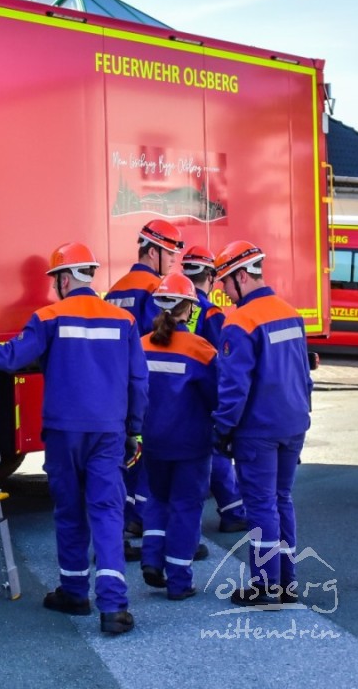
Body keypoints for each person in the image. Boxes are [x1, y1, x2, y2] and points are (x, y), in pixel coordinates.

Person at [0, 242, 147, 635]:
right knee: (107, 513)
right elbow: (138, 381)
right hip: (108, 432)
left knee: (69, 511)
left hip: (63, 433)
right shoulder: (124, 321)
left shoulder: (48, 318)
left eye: (55, 279)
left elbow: (8, 358)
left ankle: (74, 593)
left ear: (64, 279)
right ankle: (114, 608)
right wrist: (135, 429)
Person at [212, 240, 313, 606]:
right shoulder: (290, 313)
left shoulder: (240, 321)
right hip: (293, 423)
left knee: (260, 506)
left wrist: (221, 429)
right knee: (282, 499)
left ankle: (265, 586)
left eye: (225, 281)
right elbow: (304, 374)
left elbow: (234, 387)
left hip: (258, 430)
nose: (223, 290)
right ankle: (286, 583)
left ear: (241, 276)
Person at [137, 273, 216, 601]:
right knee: (185, 506)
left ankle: (151, 559)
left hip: (152, 441)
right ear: (190, 309)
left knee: (157, 499)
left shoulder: (141, 345)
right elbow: (217, 397)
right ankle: (179, 581)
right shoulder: (201, 350)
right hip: (191, 445)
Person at [106, 219, 184, 550]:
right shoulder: (156, 289)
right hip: (146, 384)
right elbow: (161, 338)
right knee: (146, 455)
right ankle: (142, 519)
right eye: (170, 254)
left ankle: (125, 517)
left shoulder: (115, 290)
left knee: (124, 455)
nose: (173, 262)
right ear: (153, 252)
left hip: (115, 385)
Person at [181, 245, 248, 533]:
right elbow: (225, 359)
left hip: (173, 395)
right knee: (215, 451)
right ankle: (233, 512)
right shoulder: (211, 313)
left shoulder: (170, 303)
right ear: (210, 277)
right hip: (204, 393)